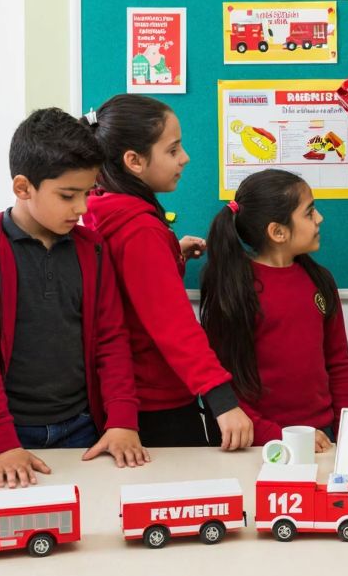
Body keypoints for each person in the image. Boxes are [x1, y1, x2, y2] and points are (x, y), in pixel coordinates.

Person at [0, 108, 148, 488]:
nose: (83, 208)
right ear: (23, 188)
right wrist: (2, 444)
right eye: (68, 195)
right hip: (4, 438)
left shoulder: (94, 249)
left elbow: (112, 341)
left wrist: (122, 420)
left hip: (83, 432)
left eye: (88, 193)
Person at [82, 94, 253, 449]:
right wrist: (222, 400)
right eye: (173, 150)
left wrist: (171, 255)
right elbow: (172, 324)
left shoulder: (103, 207)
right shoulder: (140, 230)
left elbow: (130, 288)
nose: (185, 158)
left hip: (125, 399)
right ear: (134, 161)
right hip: (157, 404)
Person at [199, 169, 348, 449]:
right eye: (309, 213)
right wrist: (276, 435)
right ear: (278, 232)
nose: (319, 218)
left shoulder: (320, 280)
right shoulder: (234, 288)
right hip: (261, 440)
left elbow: (338, 362)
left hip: (323, 436)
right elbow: (227, 380)